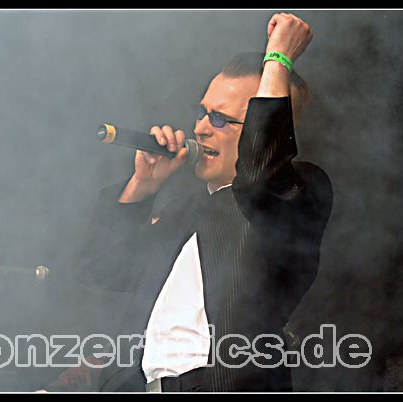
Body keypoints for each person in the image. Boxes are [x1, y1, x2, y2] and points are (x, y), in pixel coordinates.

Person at [44, 12, 332, 392]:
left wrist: (277, 57)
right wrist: (142, 186)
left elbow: (260, 175)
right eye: (202, 113)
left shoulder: (299, 190)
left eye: (220, 120)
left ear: (265, 127)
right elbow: (102, 267)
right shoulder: (184, 211)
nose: (200, 127)